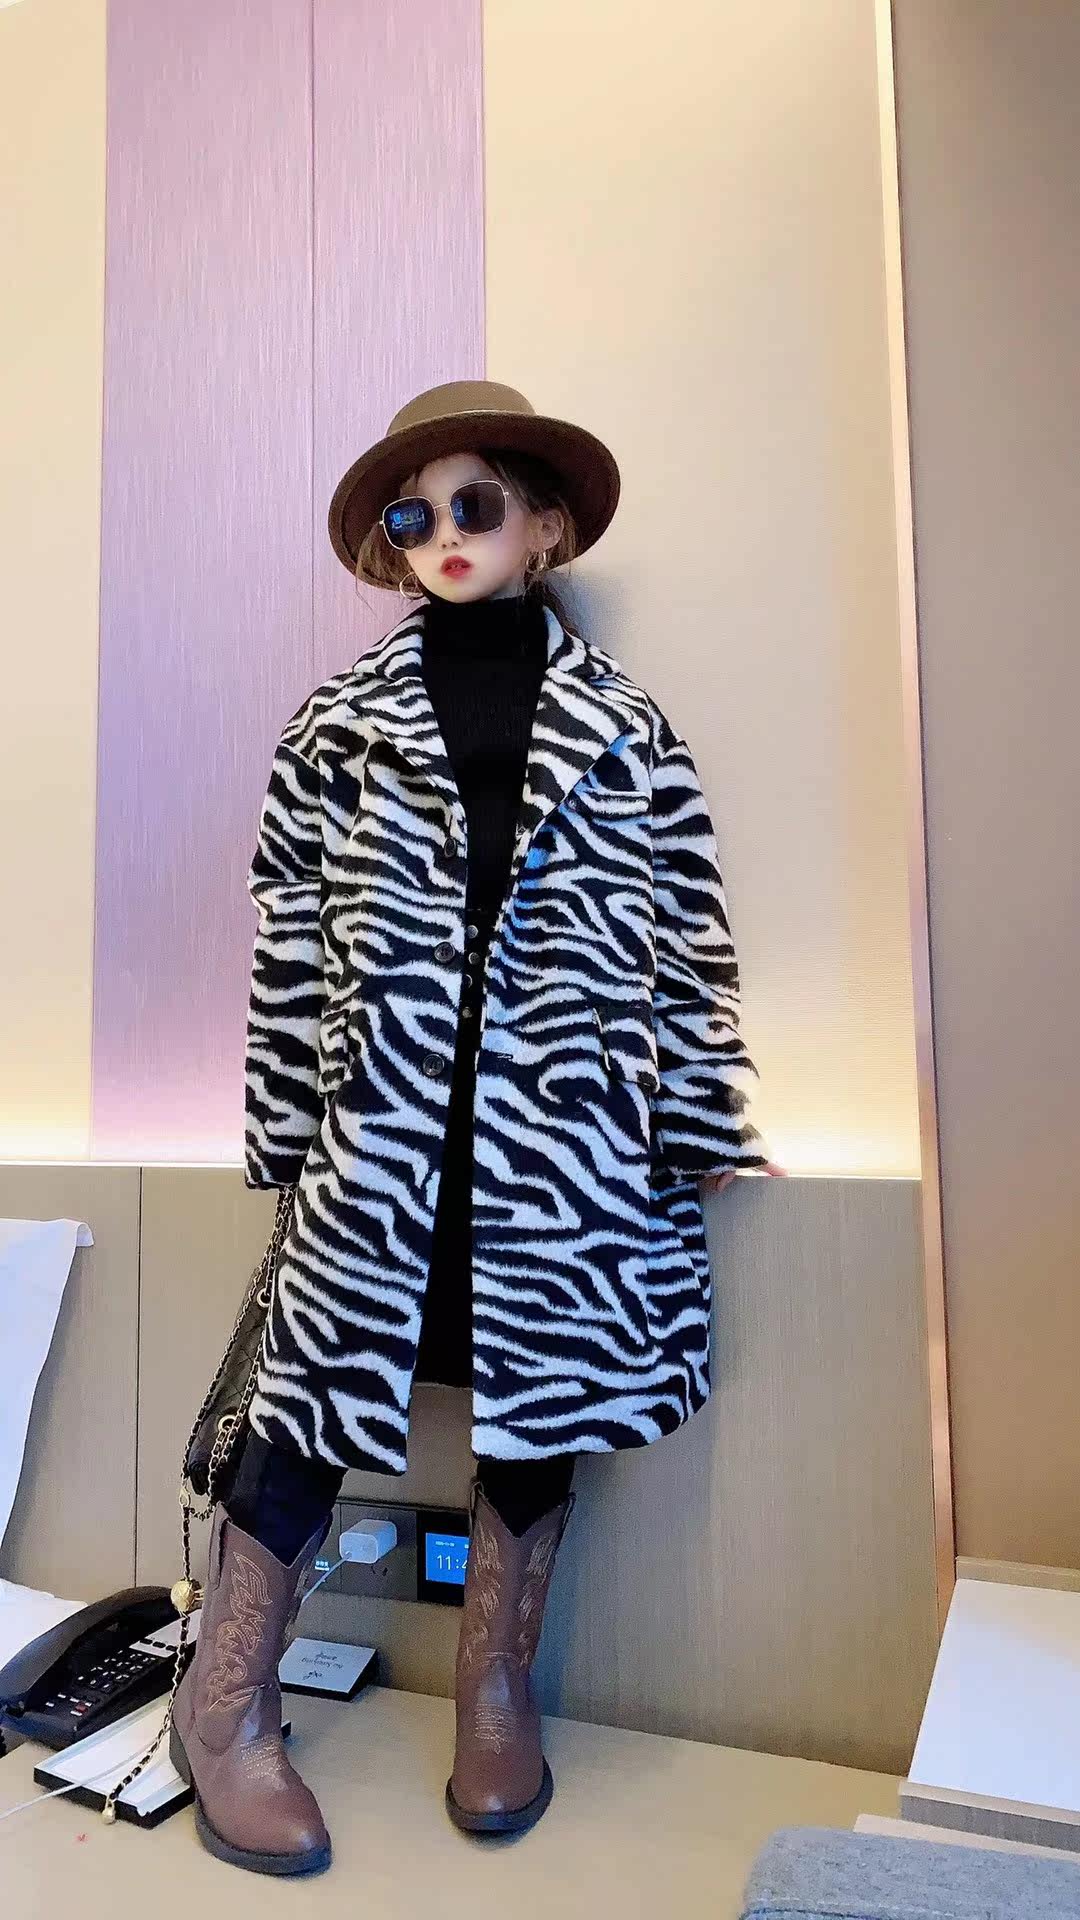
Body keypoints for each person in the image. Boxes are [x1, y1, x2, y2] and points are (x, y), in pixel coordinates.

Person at [168, 380, 785, 1875]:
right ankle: (224, 1701)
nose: (443, 533)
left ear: (545, 526)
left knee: (541, 1405)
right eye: (411, 514)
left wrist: (697, 1112)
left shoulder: (629, 729)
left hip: (564, 1137)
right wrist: (284, 1132)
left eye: (476, 504)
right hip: (381, 1134)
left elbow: (688, 939)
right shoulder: (334, 729)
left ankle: (496, 1693)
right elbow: (287, 942)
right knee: (305, 1412)